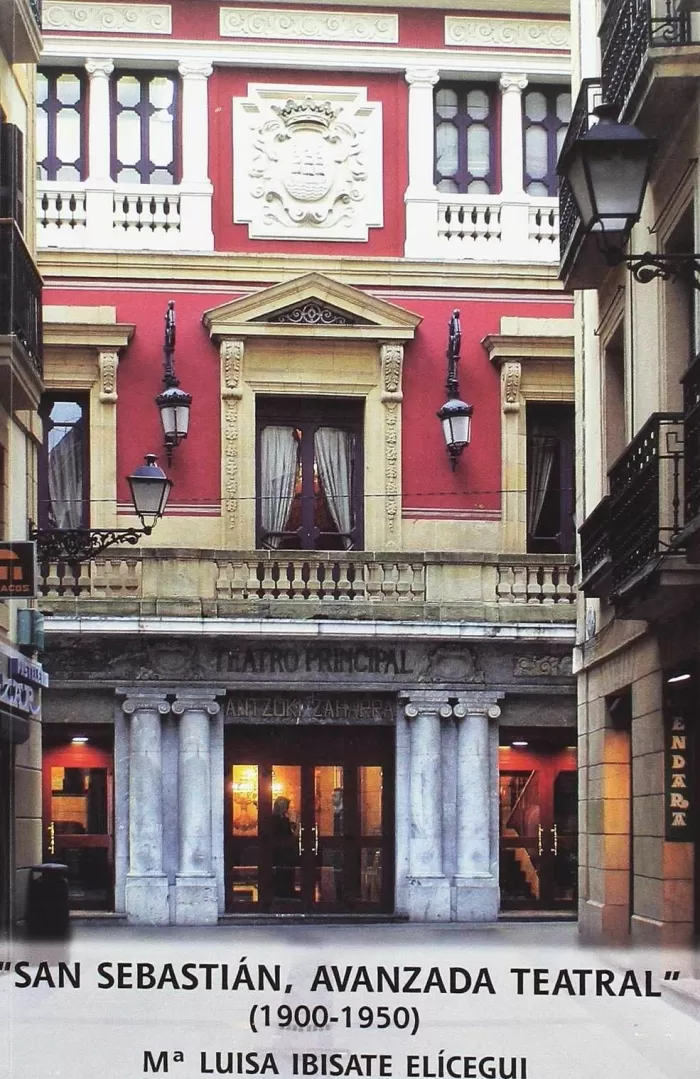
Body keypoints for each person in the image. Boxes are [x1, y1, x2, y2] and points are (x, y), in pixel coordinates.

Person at [271, 796, 297, 898]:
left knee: (287, 872)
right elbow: (287, 832)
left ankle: (287, 891)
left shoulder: (283, 818)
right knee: (282, 872)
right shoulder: (276, 819)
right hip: (280, 850)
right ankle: (282, 892)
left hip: (286, 850)